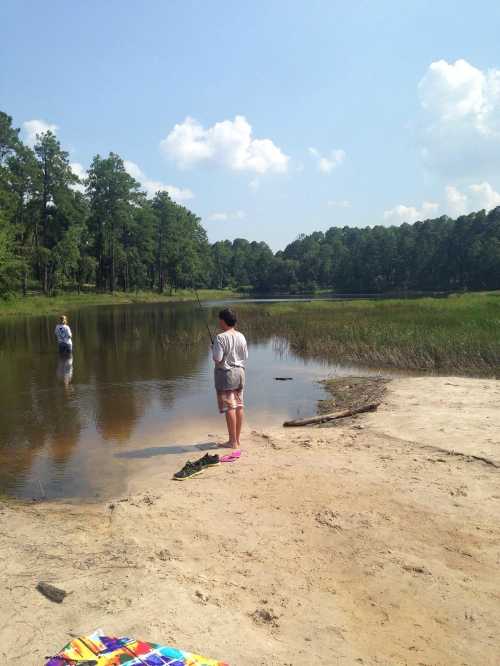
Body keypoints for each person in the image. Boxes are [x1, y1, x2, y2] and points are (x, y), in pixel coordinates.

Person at [212, 308, 248, 449]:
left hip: (226, 374)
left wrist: (213, 350)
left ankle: (232, 442)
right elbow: (245, 356)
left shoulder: (220, 337)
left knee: (229, 407)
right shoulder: (241, 336)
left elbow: (217, 358)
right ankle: (237, 440)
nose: (219, 322)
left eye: (219, 320)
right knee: (239, 405)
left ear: (222, 320)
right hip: (240, 373)